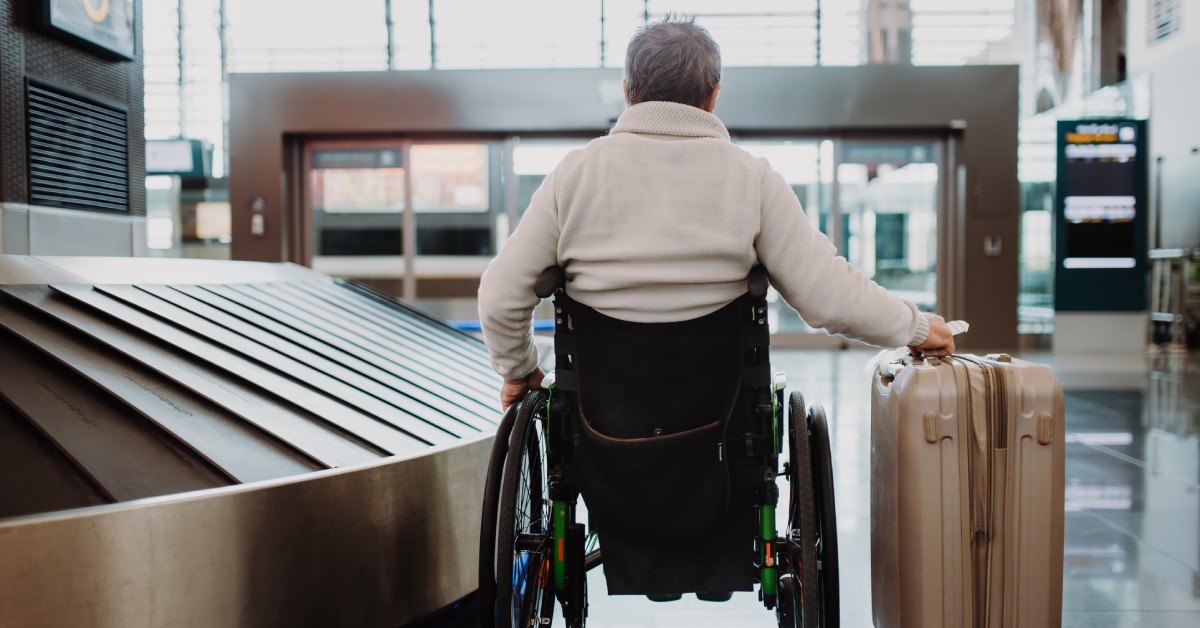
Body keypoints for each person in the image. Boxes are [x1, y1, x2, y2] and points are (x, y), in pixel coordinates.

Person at [478, 15, 955, 409]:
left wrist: (520, 370)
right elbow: (827, 295)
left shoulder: (573, 175)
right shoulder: (752, 179)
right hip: (720, 439)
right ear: (713, 94)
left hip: (599, 437)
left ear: (628, 92)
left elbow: (500, 296)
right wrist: (914, 324)